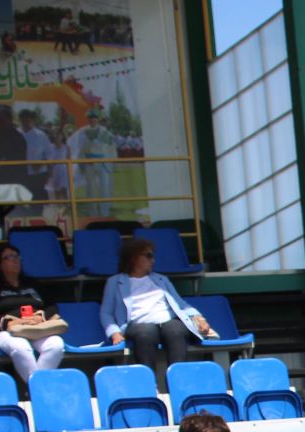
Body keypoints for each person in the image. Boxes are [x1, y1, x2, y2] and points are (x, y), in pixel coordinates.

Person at [99, 237, 213, 388]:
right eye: (148, 256)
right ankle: (149, 385)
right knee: (146, 333)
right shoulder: (115, 281)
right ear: (133, 258)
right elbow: (106, 312)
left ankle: (179, 384)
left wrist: (199, 319)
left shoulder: (161, 279)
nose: (153, 260)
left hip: (167, 320)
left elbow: (181, 304)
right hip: (138, 323)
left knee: (176, 330)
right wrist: (114, 333)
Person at [0, 239, 65, 388]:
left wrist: (40, 316)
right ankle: (41, 390)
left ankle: (35, 389)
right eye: (9, 257)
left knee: (56, 345)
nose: (15, 260)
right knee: (21, 348)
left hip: (37, 328)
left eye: (17, 257)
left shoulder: (33, 283)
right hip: (9, 331)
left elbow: (52, 306)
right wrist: (8, 323)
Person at [69, 110, 115, 203]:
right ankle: (92, 211)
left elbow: (110, 146)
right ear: (88, 119)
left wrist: (109, 162)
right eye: (90, 118)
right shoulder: (82, 131)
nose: (92, 120)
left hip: (102, 163)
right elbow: (76, 145)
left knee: (104, 188)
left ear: (97, 119)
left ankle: (104, 212)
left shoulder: (104, 131)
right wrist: (81, 162)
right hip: (89, 162)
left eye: (94, 118)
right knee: (90, 189)